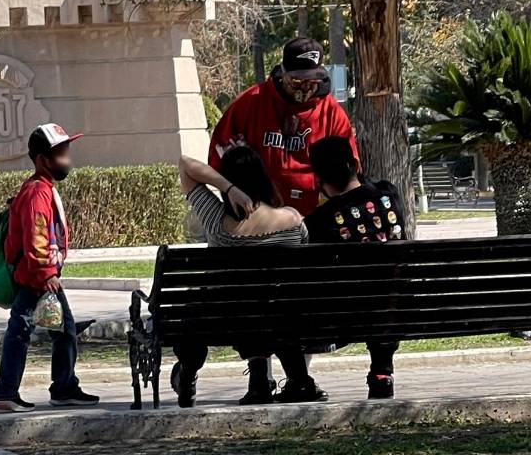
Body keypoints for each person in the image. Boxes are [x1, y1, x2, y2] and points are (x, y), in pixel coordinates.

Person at [173, 147, 328, 407]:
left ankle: (188, 376)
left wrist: (229, 188)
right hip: (283, 319)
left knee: (196, 314)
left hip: (231, 321)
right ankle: (297, 380)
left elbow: (185, 164)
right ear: (263, 177)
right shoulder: (292, 219)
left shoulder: (218, 223)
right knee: (273, 305)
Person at [0, 123, 101, 413]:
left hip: (38, 275)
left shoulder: (40, 188)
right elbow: (37, 236)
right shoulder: (37, 192)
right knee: (26, 330)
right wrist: (46, 273)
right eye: (61, 154)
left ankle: (61, 387)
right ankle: (10, 391)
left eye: (66, 152)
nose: (67, 159)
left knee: (60, 330)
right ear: (42, 160)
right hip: (36, 277)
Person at [209, 37, 359, 216]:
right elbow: (219, 156)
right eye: (297, 81)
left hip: (313, 217)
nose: (305, 88)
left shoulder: (331, 112)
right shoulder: (251, 102)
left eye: (312, 81)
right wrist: (235, 190)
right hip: (258, 216)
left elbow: (350, 173)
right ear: (283, 72)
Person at [303, 135, 405, 398]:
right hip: (399, 305)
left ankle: (298, 380)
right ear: (355, 165)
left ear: (319, 180)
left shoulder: (319, 220)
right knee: (385, 291)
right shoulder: (389, 193)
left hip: (347, 313)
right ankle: (382, 371)